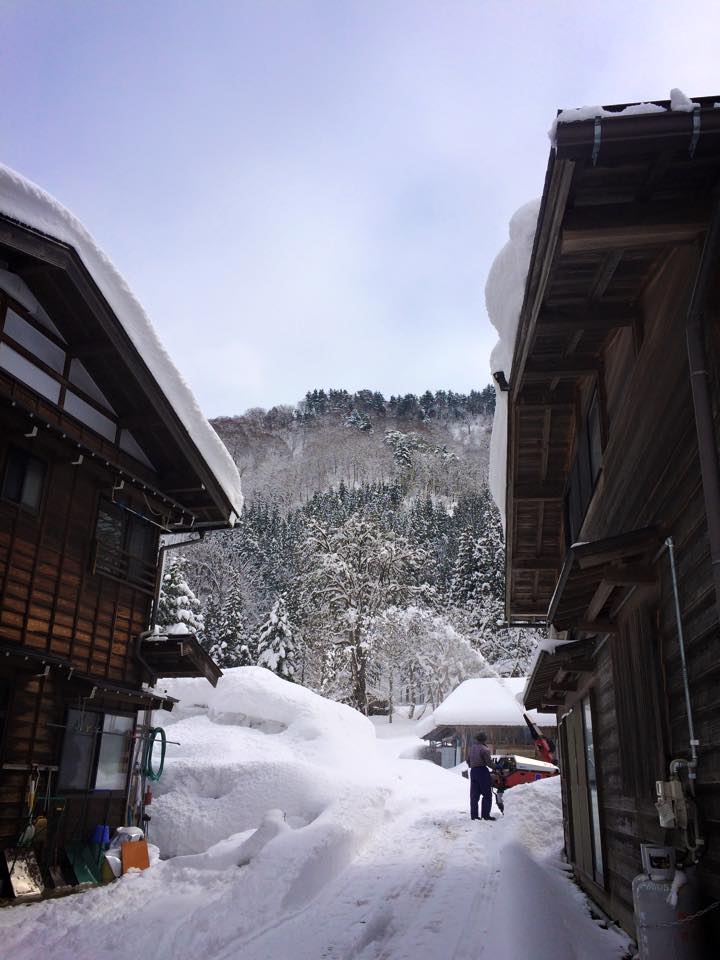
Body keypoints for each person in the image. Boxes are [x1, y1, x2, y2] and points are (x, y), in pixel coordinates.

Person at [466, 732, 495, 821]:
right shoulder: (485, 749)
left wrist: (472, 766)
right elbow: (489, 763)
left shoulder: (472, 748)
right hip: (482, 772)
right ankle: (485, 815)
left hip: (473, 771)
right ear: (484, 740)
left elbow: (468, 760)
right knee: (487, 795)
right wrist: (497, 767)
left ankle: (474, 816)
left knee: (474, 796)